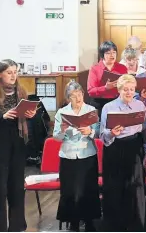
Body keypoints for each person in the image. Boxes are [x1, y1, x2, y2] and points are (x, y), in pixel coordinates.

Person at [0, 59, 37, 231]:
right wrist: (2, 117)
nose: (14, 76)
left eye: (15, 72)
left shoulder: (21, 91)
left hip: (18, 142)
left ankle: (17, 226)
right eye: (9, 72)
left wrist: (31, 114)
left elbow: (25, 117)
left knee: (16, 186)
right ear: (0, 74)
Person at [99, 74, 146, 231]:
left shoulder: (140, 105)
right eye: (125, 89)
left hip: (134, 147)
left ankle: (135, 224)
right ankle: (115, 225)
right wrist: (112, 133)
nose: (129, 92)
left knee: (135, 186)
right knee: (115, 187)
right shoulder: (109, 107)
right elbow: (102, 134)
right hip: (115, 148)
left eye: (131, 89)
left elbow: (144, 129)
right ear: (119, 90)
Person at [52, 82, 101, 231]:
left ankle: (89, 221)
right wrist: (63, 130)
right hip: (68, 156)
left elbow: (98, 132)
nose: (78, 98)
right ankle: (73, 222)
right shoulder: (62, 112)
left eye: (79, 94)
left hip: (87, 155)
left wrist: (90, 132)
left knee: (89, 189)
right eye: (73, 96)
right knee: (70, 190)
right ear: (68, 98)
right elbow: (56, 137)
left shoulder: (91, 110)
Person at [87, 41, 128, 115]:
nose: (112, 55)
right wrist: (105, 88)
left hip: (117, 102)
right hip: (99, 103)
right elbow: (90, 91)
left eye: (114, 52)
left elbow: (126, 85)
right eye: (108, 53)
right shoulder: (95, 69)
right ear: (102, 55)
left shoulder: (122, 68)